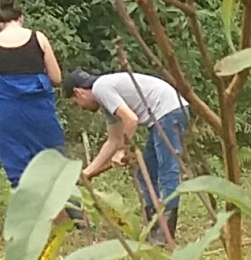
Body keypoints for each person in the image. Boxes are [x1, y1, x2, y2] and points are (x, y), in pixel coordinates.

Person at [67, 67, 190, 245]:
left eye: (76, 103)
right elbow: (113, 141)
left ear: (78, 92)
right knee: (145, 174)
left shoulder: (101, 87)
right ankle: (154, 226)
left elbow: (131, 120)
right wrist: (87, 173)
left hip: (168, 112)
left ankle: (164, 235)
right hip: (163, 115)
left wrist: (122, 151)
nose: (80, 108)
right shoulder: (107, 99)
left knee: (167, 171)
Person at [0, 0, 67, 188]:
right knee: (53, 163)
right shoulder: (38, 38)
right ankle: (66, 205)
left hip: (9, 114)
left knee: (19, 169)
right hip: (40, 111)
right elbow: (56, 77)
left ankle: (26, 203)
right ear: (21, 18)